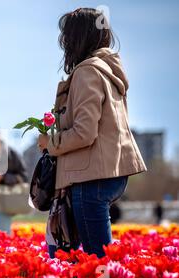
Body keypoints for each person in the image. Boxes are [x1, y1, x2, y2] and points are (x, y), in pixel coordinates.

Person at [38, 8, 147, 258]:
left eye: (66, 37)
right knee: (93, 263)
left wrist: (50, 142)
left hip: (90, 178)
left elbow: (85, 132)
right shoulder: (109, 71)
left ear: (77, 38)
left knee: (97, 264)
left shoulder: (87, 71)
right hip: (108, 173)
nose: (64, 43)